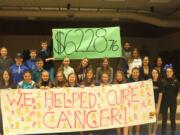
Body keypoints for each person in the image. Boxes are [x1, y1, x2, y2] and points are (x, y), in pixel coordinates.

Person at [161, 67, 180, 135]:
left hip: (173, 102)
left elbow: (177, 92)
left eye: (170, 71)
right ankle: (163, 133)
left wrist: (173, 98)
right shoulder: (163, 81)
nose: (168, 73)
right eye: (167, 72)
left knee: (172, 119)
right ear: (166, 73)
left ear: (172, 72)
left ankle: (173, 133)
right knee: (164, 119)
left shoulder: (176, 81)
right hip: (165, 102)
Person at [148, 69, 163, 135]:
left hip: (157, 104)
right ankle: (149, 133)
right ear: (151, 74)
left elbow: (160, 95)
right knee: (150, 119)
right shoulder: (149, 82)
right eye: (153, 73)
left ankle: (154, 133)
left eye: (156, 73)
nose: (154, 74)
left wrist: (158, 107)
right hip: (150, 104)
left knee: (156, 120)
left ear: (158, 74)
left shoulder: (160, 82)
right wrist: (147, 82)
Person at [114, 70, 128, 135]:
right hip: (117, 106)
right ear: (116, 77)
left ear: (122, 76)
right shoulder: (113, 85)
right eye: (117, 76)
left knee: (125, 121)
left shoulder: (126, 84)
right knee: (118, 121)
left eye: (120, 76)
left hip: (125, 106)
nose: (119, 77)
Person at [128, 67, 141, 135]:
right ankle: (130, 132)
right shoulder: (128, 81)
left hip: (139, 103)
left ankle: (137, 132)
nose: (135, 74)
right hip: (131, 103)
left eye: (136, 72)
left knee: (138, 118)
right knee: (131, 118)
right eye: (134, 72)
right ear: (132, 73)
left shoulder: (142, 81)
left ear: (138, 73)